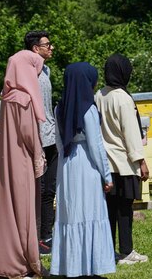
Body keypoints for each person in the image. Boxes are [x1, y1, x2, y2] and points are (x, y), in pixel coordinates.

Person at [50, 62, 116, 278]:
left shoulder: (60, 107)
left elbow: (59, 143)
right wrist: (106, 175)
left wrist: (62, 169)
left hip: (67, 165)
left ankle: (71, 267)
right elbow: (96, 145)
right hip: (86, 165)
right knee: (90, 213)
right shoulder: (88, 108)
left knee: (70, 215)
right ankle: (89, 267)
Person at [0, 50, 47, 278]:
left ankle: (1, 262)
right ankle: (26, 262)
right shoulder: (24, 99)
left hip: (6, 160)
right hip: (22, 161)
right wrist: (39, 157)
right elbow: (29, 135)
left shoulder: (8, 95)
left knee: (7, 211)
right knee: (25, 211)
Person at [95, 53, 149, 265]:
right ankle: (126, 251)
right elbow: (131, 133)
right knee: (125, 210)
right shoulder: (123, 99)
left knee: (109, 210)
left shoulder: (99, 95)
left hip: (106, 164)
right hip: (124, 163)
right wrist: (141, 161)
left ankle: (108, 250)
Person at [24, 30, 57, 254]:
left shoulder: (46, 69)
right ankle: (36, 237)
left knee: (50, 189)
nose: (51, 48)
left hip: (52, 135)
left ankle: (48, 234)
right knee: (39, 188)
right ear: (36, 48)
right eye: (47, 45)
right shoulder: (27, 72)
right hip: (36, 139)